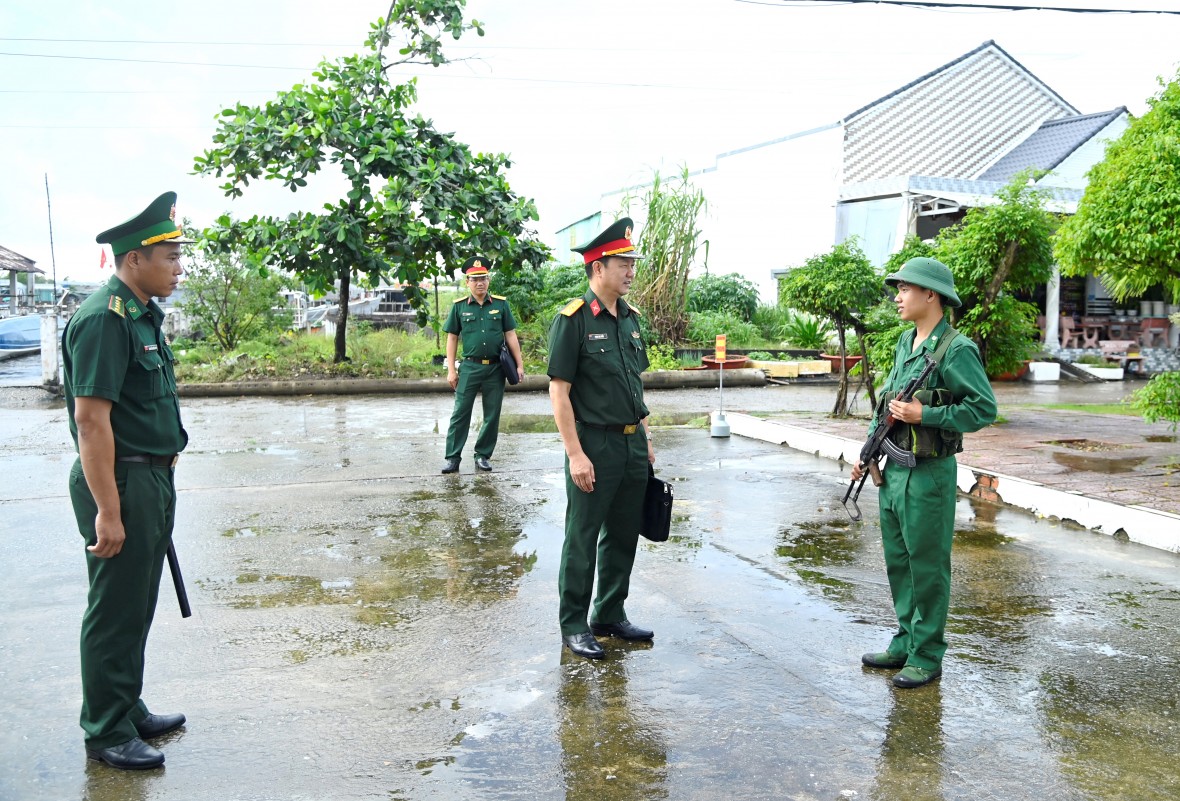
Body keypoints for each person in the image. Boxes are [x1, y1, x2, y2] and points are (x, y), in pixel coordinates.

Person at [63, 192, 191, 769]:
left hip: (149, 478)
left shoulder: (141, 314)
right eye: (169, 255)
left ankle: (126, 705)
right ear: (135, 258)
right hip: (117, 481)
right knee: (114, 606)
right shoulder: (102, 319)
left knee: (138, 601)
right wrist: (107, 511)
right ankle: (106, 730)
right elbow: (91, 423)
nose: (178, 266)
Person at [851, 257, 997, 688]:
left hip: (929, 474)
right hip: (893, 471)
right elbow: (888, 405)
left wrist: (926, 413)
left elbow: (983, 408)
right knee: (899, 561)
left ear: (930, 295)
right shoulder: (904, 342)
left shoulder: (956, 349)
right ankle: (905, 641)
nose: (897, 297)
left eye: (905, 289)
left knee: (928, 567)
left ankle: (928, 654)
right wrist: (868, 449)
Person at [547, 218, 656, 660]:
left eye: (632, 262)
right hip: (594, 444)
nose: (631, 270)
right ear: (598, 267)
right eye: (623, 263)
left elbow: (635, 385)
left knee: (624, 532)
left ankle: (609, 612)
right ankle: (573, 623)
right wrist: (575, 454)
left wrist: (645, 439)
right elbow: (559, 392)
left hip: (631, 444)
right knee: (583, 534)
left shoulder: (630, 320)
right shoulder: (572, 321)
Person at [440, 256, 524, 474]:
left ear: (488, 280)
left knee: (492, 413)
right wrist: (451, 369)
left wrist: (519, 365)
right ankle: (452, 457)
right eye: (475, 279)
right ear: (467, 282)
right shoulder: (459, 307)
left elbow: (511, 335)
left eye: (484, 278)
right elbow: (452, 338)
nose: (480, 283)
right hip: (469, 367)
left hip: (496, 368)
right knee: (460, 413)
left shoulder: (500, 304)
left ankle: (483, 455)